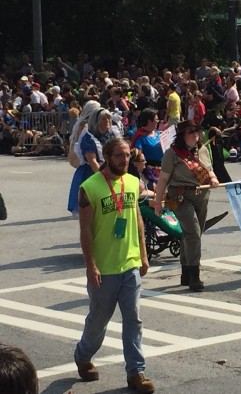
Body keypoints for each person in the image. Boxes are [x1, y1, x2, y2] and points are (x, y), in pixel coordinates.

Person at [75, 138, 155, 393]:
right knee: (99, 320)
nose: (124, 160)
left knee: (133, 319)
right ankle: (83, 354)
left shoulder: (133, 183)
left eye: (128, 155)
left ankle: (136, 372)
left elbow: (138, 220)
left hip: (129, 263)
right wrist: (91, 266)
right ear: (107, 157)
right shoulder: (89, 188)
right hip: (104, 267)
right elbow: (85, 230)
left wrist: (143, 255)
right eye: (119, 155)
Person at [153, 120, 220, 291]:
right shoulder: (172, 153)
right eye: (191, 132)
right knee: (194, 232)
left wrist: (213, 178)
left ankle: (185, 271)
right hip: (180, 196)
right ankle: (194, 275)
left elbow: (209, 169)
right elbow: (163, 180)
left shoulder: (203, 149)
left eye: (197, 132)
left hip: (202, 195)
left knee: (190, 235)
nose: (195, 136)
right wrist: (158, 202)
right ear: (182, 135)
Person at [67, 108, 114, 217]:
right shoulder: (88, 137)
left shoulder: (111, 135)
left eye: (108, 118)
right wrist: (103, 177)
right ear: (96, 121)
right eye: (103, 118)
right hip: (91, 172)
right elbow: (92, 160)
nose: (107, 120)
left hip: (109, 169)